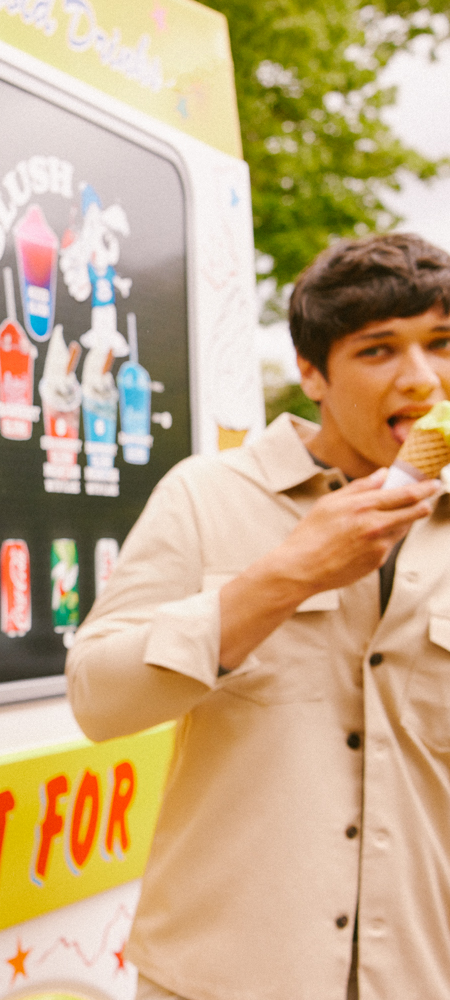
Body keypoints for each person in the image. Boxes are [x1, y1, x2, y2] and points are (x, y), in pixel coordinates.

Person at [66, 233, 450, 1000]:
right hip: (218, 979)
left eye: (442, 344)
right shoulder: (207, 494)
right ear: (311, 372)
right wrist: (286, 573)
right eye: (378, 351)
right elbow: (98, 699)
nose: (422, 379)